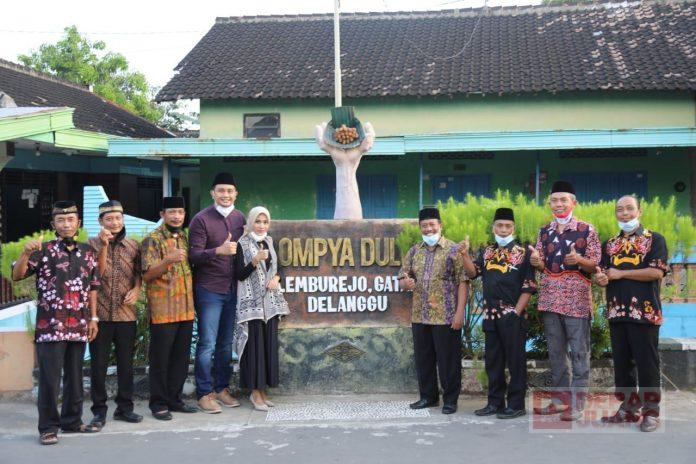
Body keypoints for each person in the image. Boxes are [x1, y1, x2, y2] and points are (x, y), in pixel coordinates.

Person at [12, 201, 101, 445]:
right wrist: (25, 253)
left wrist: (93, 318)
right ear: (53, 224)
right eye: (60, 220)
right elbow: (17, 275)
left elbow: (93, 287)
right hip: (50, 325)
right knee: (50, 380)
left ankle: (72, 421)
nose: (66, 224)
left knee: (75, 376)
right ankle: (48, 427)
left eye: (70, 220)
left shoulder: (88, 252)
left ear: (78, 223)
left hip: (79, 323)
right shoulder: (42, 250)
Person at [529, 181, 601, 421]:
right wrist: (537, 262)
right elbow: (542, 264)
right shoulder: (544, 231)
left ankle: (577, 404)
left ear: (573, 202)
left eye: (563, 200)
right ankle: (560, 401)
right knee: (556, 354)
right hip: (550, 300)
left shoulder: (586, 229)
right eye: (554, 200)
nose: (558, 204)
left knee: (579, 354)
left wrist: (579, 260)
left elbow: (595, 264)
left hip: (576, 302)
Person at [595, 195, 668, 432]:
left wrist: (621, 273)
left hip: (645, 312)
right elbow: (604, 273)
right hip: (617, 311)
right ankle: (628, 408)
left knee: (647, 364)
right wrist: (602, 278)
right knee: (622, 364)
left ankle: (651, 412)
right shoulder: (609, 243)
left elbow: (656, 272)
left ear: (640, 211)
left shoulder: (654, 239)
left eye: (629, 208)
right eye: (620, 209)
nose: (624, 213)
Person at [460, 208, 537, 419]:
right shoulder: (486, 252)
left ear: (514, 228)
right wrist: (464, 255)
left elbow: (529, 286)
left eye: (507, 226)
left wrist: (516, 313)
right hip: (490, 316)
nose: (503, 229)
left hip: (513, 316)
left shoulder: (524, 253)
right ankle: (495, 403)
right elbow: (472, 273)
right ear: (493, 228)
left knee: (515, 362)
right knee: (493, 362)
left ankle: (517, 404)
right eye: (499, 225)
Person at [400, 206, 467, 415]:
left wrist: (460, 313)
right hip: (420, 315)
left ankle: (450, 400)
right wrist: (405, 283)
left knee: (448, 361)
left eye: (432, 225)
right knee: (424, 359)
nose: (428, 229)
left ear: (440, 225)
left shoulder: (453, 249)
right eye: (424, 225)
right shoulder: (414, 251)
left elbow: (463, 281)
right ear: (420, 227)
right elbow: (403, 276)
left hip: (446, 316)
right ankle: (428, 397)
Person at [188, 172, 245, 413]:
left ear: (236, 194)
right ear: (213, 193)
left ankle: (221, 388)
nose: (225, 195)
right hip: (209, 289)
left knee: (225, 344)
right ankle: (204, 393)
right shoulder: (201, 219)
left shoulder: (240, 218)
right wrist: (218, 251)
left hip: (232, 289)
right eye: (221, 190)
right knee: (207, 344)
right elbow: (193, 256)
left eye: (229, 191)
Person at [87, 200, 143, 429]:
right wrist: (104, 246)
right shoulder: (90, 244)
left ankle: (125, 408)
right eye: (109, 219)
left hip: (126, 315)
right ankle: (99, 411)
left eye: (118, 218)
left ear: (123, 219)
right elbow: (97, 274)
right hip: (99, 315)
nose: (114, 222)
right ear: (100, 221)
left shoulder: (133, 245)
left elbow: (139, 272)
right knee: (98, 366)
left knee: (126, 365)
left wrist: (137, 289)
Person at [141, 196, 197, 420]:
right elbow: (147, 274)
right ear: (162, 214)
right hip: (163, 310)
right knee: (160, 360)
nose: (176, 216)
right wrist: (167, 260)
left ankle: (175, 399)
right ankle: (158, 403)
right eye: (172, 212)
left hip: (186, 308)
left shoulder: (185, 237)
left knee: (180, 359)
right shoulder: (152, 239)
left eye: (180, 212)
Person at [234, 206, 289, 411]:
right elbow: (239, 274)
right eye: (257, 221)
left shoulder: (269, 241)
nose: (261, 226)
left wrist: (277, 278)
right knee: (254, 349)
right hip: (252, 306)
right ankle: (254, 393)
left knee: (267, 348)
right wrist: (255, 261)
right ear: (250, 223)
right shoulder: (242, 243)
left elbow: (279, 267)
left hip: (270, 305)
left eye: (265, 222)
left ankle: (263, 391)